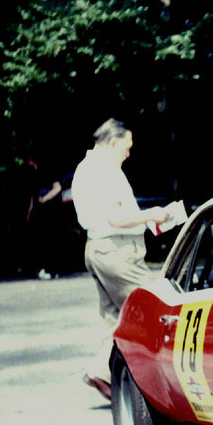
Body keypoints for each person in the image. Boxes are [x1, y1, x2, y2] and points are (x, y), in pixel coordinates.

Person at [71, 118, 169, 400]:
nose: (128, 152)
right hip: (116, 252)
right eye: (126, 147)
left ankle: (115, 382)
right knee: (146, 308)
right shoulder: (106, 170)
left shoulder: (84, 167)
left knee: (114, 318)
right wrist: (152, 214)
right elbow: (115, 218)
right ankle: (102, 372)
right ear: (113, 142)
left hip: (97, 248)